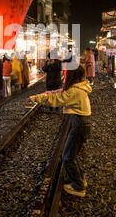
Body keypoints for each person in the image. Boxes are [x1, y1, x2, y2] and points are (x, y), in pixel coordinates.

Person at [29, 65, 92, 198]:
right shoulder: (79, 86)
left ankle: (79, 187)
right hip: (81, 124)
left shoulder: (76, 91)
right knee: (71, 155)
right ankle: (80, 180)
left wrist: (38, 99)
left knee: (68, 157)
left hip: (79, 125)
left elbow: (58, 99)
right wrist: (41, 95)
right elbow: (59, 92)